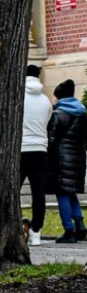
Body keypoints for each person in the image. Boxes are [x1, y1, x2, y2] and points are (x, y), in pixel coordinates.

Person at [47, 79, 87, 244]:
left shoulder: (58, 114)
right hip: (78, 158)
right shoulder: (83, 113)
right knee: (70, 192)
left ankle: (68, 229)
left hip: (60, 159)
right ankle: (80, 224)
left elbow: (51, 139)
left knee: (62, 193)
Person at [21, 65, 53, 247]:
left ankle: (15, 225)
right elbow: (47, 121)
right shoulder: (45, 100)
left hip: (20, 149)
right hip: (40, 149)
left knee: (12, 190)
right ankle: (36, 232)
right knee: (38, 193)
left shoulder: (17, 98)